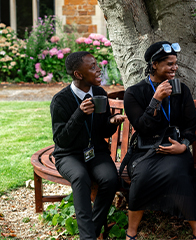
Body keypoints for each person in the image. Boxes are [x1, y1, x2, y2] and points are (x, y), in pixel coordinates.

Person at [123, 41, 196, 240]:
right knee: (141, 177)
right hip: (146, 150)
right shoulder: (134, 93)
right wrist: (156, 99)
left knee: (178, 173)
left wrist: (183, 146)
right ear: (154, 65)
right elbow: (142, 127)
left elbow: (189, 125)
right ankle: (131, 231)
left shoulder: (181, 90)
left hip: (175, 148)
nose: (174, 68)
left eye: (175, 63)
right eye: (169, 64)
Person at [50, 51, 126, 240]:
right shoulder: (61, 100)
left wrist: (111, 123)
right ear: (78, 74)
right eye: (92, 66)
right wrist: (79, 114)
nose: (98, 69)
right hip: (68, 155)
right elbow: (61, 139)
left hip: (95, 152)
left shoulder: (99, 93)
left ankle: (90, 231)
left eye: (96, 64)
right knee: (80, 177)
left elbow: (102, 131)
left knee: (110, 179)